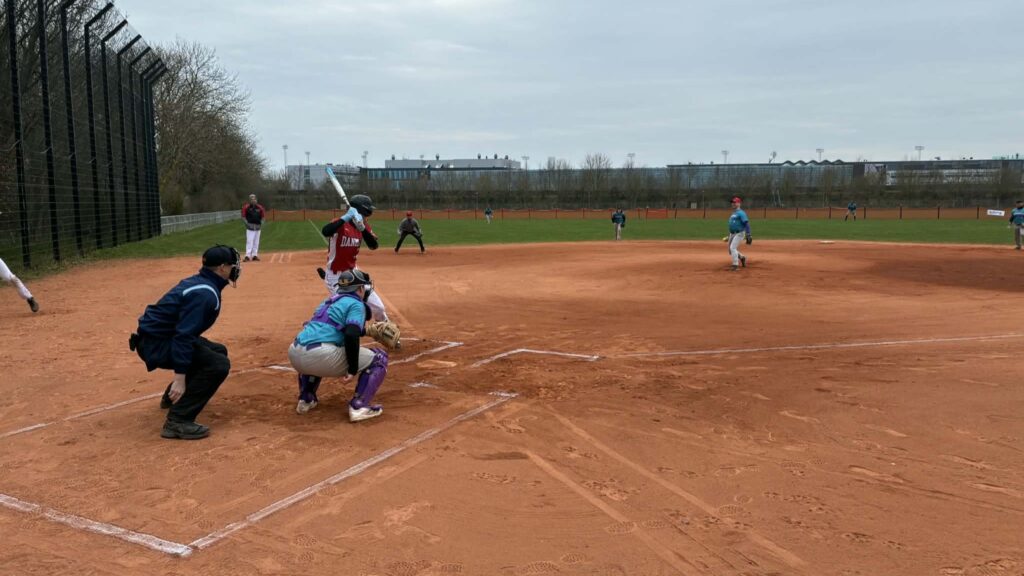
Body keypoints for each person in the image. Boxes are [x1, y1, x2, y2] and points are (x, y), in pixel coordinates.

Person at [129, 245, 241, 439]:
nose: (235, 269)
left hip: (159, 338)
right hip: (155, 345)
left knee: (218, 351)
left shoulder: (202, 283)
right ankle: (178, 420)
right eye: (232, 265)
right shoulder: (205, 294)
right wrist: (179, 379)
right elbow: (184, 336)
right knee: (218, 365)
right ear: (222, 268)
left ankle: (173, 398)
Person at [288, 269, 389, 422]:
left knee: (315, 352)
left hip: (295, 354)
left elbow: (332, 327)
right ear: (360, 289)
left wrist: (367, 331)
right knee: (379, 358)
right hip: (320, 356)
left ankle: (306, 399)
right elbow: (351, 334)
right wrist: (352, 369)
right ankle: (359, 407)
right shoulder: (356, 304)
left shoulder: (328, 302)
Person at [318, 194, 391, 323]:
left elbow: (373, 245)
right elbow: (325, 231)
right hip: (336, 277)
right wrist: (345, 218)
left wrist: (362, 229)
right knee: (351, 310)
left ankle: (384, 328)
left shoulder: (363, 224)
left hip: (354, 274)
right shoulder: (340, 223)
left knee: (379, 308)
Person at [727, 197, 752, 271]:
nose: (733, 204)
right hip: (732, 234)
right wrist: (729, 235)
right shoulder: (734, 213)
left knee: (732, 248)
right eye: (732, 202)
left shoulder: (741, 213)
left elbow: (746, 223)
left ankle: (735, 265)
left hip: (739, 233)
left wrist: (748, 234)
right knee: (730, 250)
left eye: (735, 202)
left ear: (739, 203)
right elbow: (732, 224)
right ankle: (742, 257)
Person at [242, 194, 266, 261]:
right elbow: (243, 216)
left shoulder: (260, 207)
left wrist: (262, 223)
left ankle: (254, 255)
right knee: (249, 241)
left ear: (256, 199)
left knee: (256, 242)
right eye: (252, 199)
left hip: (258, 227)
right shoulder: (246, 207)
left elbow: (263, 216)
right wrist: (247, 224)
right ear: (249, 200)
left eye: (254, 199)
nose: (253, 200)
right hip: (250, 227)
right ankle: (247, 256)